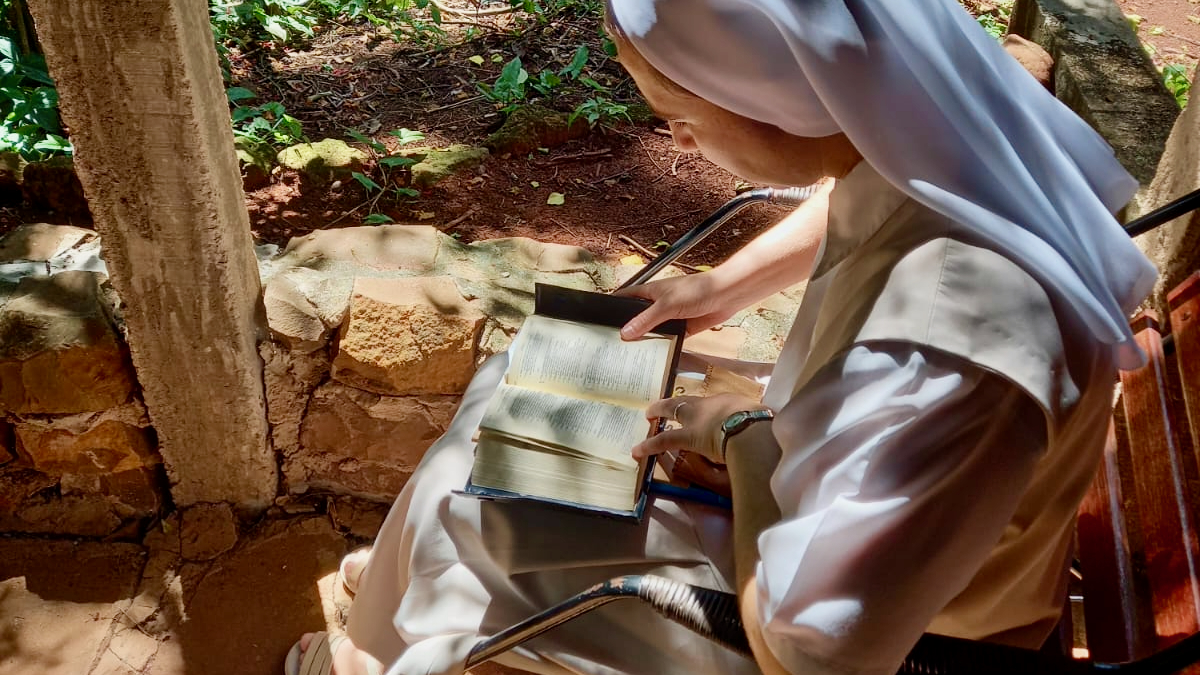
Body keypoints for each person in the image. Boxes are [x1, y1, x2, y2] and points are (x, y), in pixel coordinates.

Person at [284, 0, 1158, 673]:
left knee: (470, 515)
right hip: (860, 503)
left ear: (786, 91)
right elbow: (891, 180)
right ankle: (396, 604)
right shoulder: (956, 124)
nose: (677, 137)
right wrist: (720, 288)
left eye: (681, 113)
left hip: (916, 631)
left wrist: (744, 437)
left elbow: (815, 649)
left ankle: (389, 636)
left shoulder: (948, 349)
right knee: (514, 382)